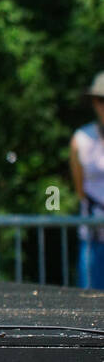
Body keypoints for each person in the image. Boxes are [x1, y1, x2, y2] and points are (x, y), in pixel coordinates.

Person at [69, 70, 104, 288]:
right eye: (101, 100)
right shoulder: (81, 139)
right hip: (93, 236)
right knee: (90, 304)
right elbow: (79, 189)